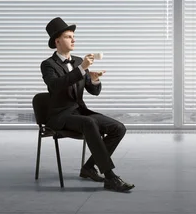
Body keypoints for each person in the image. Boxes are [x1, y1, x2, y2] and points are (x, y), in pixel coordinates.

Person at [40, 17, 134, 192]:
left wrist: (94, 80)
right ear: (57, 41)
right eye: (69, 36)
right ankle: (110, 177)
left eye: (74, 36)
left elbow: (93, 91)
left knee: (118, 128)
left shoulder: (77, 61)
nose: (74, 40)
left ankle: (89, 167)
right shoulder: (48, 65)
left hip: (80, 112)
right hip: (60, 116)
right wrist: (82, 69)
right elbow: (55, 86)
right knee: (89, 123)